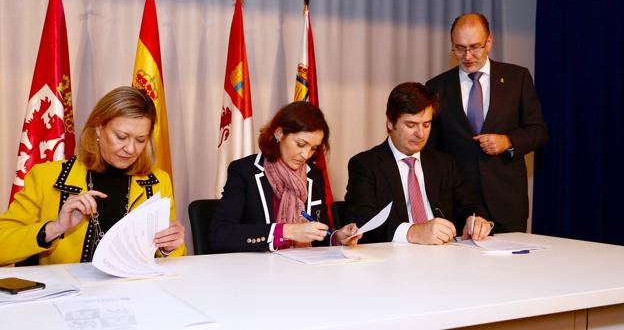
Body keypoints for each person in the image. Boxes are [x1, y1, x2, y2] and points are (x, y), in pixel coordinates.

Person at [0, 86, 186, 266]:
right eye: (121, 137)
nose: (131, 149)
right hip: (68, 293)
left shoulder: (157, 182)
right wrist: (55, 228)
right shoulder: (46, 177)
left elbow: (173, 261)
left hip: (132, 292)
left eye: (140, 140)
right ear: (98, 128)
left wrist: (170, 247)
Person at [426, 13, 549, 233]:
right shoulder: (437, 87)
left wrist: (508, 141)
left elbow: (538, 131)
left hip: (507, 204)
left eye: (475, 47)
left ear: (489, 42)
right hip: (459, 207)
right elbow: (431, 150)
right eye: (459, 48)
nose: (467, 55)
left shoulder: (517, 78)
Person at [344, 82, 491, 245]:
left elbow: (470, 205)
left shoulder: (444, 163)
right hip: (393, 260)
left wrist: (476, 220)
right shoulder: (365, 164)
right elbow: (362, 219)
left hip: (445, 255)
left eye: (426, 125)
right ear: (390, 123)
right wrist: (413, 232)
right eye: (411, 125)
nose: (420, 134)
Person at [210, 101, 361, 253]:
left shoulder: (314, 174)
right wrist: (286, 231)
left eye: (314, 148)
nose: (306, 154)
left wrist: (337, 237)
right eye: (301, 144)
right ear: (279, 133)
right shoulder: (244, 171)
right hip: (257, 272)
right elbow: (220, 235)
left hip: (303, 271)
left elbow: (317, 234)